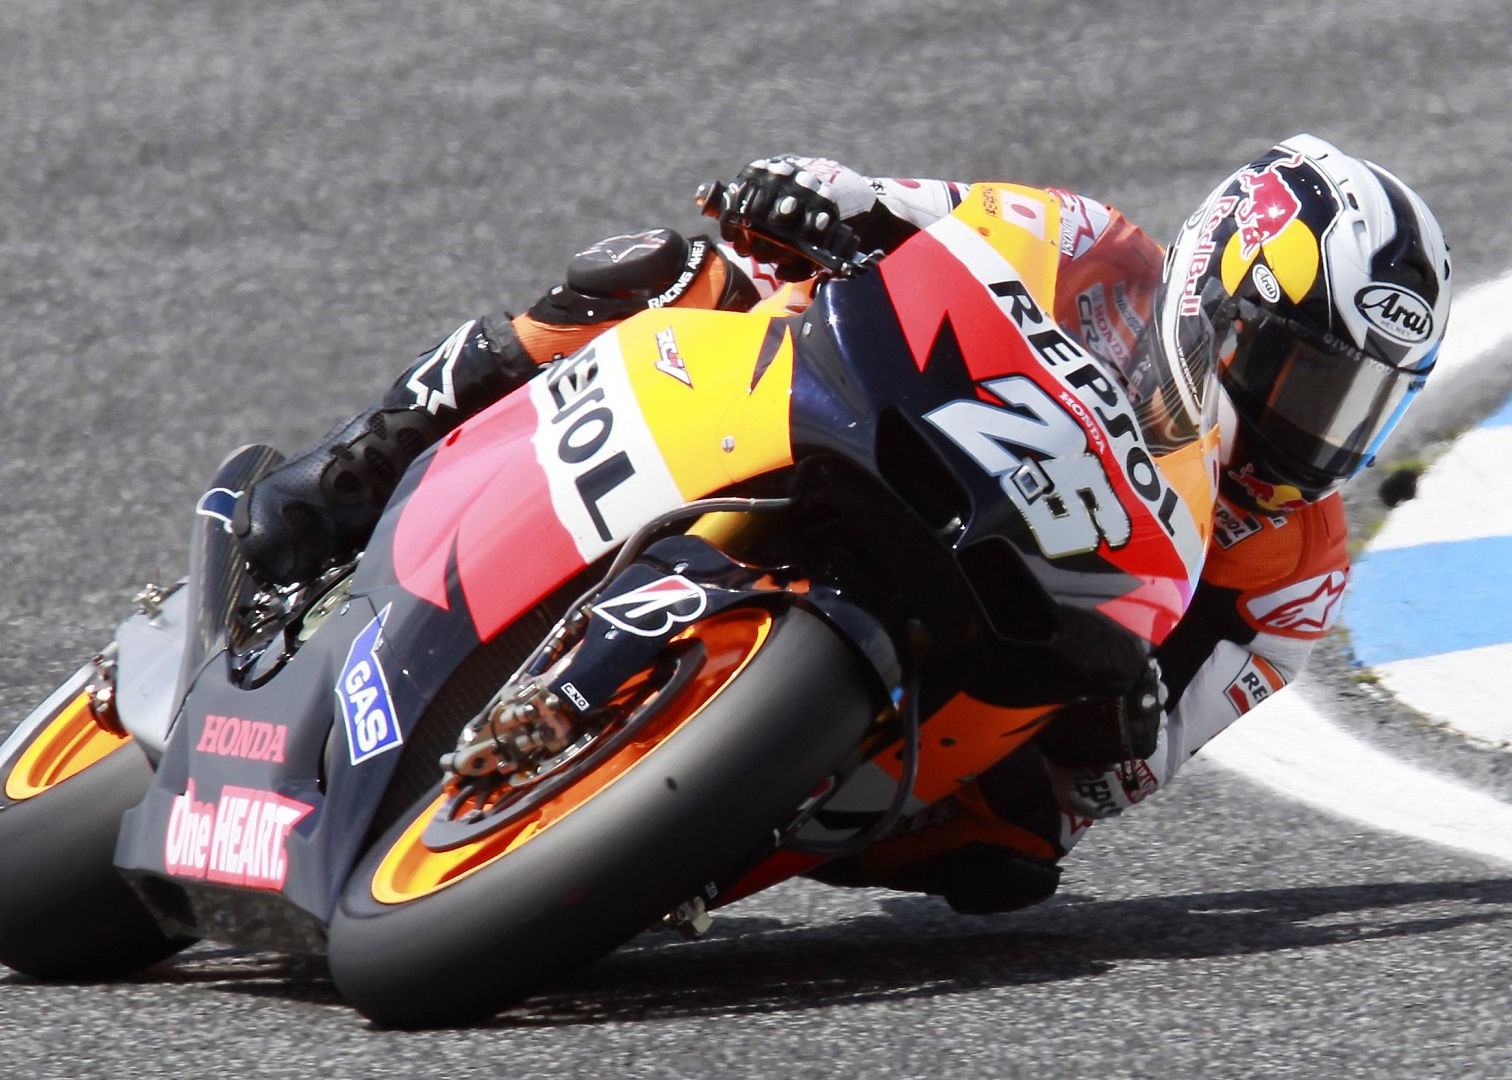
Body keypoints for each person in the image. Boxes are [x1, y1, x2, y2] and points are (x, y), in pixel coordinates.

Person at [232, 135, 1452, 912]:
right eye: (1298, 378)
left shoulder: (1299, 571)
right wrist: (820, 199)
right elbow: (918, 216)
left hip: (1018, 650)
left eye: (1352, 406)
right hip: (884, 436)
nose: (1310, 436)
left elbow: (1148, 757)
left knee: (1011, 856)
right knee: (665, 270)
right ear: (1216, 290)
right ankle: (352, 468)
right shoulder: (1091, 248)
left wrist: (1113, 743)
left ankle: (668, 827)